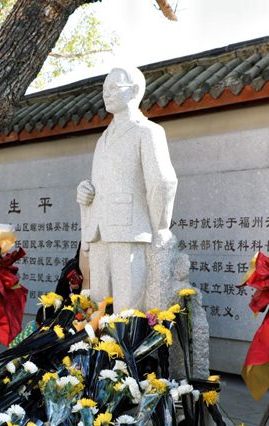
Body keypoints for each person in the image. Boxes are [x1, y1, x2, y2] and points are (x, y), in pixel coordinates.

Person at [76, 65, 178, 311]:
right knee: (96, 308)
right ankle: (96, 350)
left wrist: (160, 228)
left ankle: (125, 350)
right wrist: (85, 193)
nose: (106, 94)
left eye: (113, 87)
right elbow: (100, 185)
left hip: (130, 229)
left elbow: (162, 181)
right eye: (104, 89)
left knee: (128, 310)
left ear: (133, 91)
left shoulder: (148, 131)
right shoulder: (102, 139)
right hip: (99, 231)